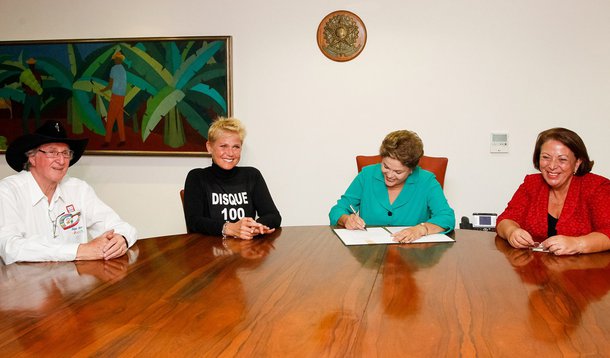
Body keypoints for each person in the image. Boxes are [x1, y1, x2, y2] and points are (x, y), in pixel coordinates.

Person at [0, 120, 137, 265]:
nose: (61, 160)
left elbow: (122, 227)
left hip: (75, 282)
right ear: (32, 157)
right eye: (52, 152)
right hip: (24, 284)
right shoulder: (8, 191)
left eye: (65, 153)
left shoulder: (79, 189)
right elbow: (10, 247)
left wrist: (121, 239)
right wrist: (79, 251)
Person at [496, 127, 610, 255]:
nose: (552, 166)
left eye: (562, 159)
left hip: (587, 270)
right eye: (546, 157)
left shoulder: (597, 187)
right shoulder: (532, 184)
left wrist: (578, 244)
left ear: (577, 163)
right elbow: (505, 219)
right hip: (535, 269)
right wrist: (512, 231)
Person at [329, 130, 455, 242]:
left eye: (398, 172)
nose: (389, 175)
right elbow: (337, 210)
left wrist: (421, 229)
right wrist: (346, 219)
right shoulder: (367, 175)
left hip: (413, 257)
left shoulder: (427, 181)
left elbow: (447, 217)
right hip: (371, 255)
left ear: (411, 169)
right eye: (386, 166)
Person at [183, 117, 281, 240]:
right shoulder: (197, 177)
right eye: (223, 146)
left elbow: (273, 216)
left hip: (246, 250)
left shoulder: (252, 175)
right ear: (209, 147)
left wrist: (254, 226)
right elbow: (194, 221)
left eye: (236, 147)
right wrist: (229, 228)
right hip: (208, 251)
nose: (230, 153)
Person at [101, 51, 127, 147]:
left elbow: (110, 85)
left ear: (118, 59)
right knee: (119, 118)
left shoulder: (114, 69)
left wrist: (102, 90)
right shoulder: (123, 70)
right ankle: (123, 139)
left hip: (116, 96)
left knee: (111, 118)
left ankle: (107, 141)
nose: (115, 60)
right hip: (122, 96)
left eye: (116, 59)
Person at [20, 57, 43, 134]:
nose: (31, 66)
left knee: (27, 115)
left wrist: (27, 89)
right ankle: (37, 132)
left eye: (31, 65)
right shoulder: (36, 74)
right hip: (34, 96)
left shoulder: (26, 74)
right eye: (31, 64)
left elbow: (23, 85)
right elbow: (40, 85)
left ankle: (26, 132)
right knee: (36, 115)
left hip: (30, 96)